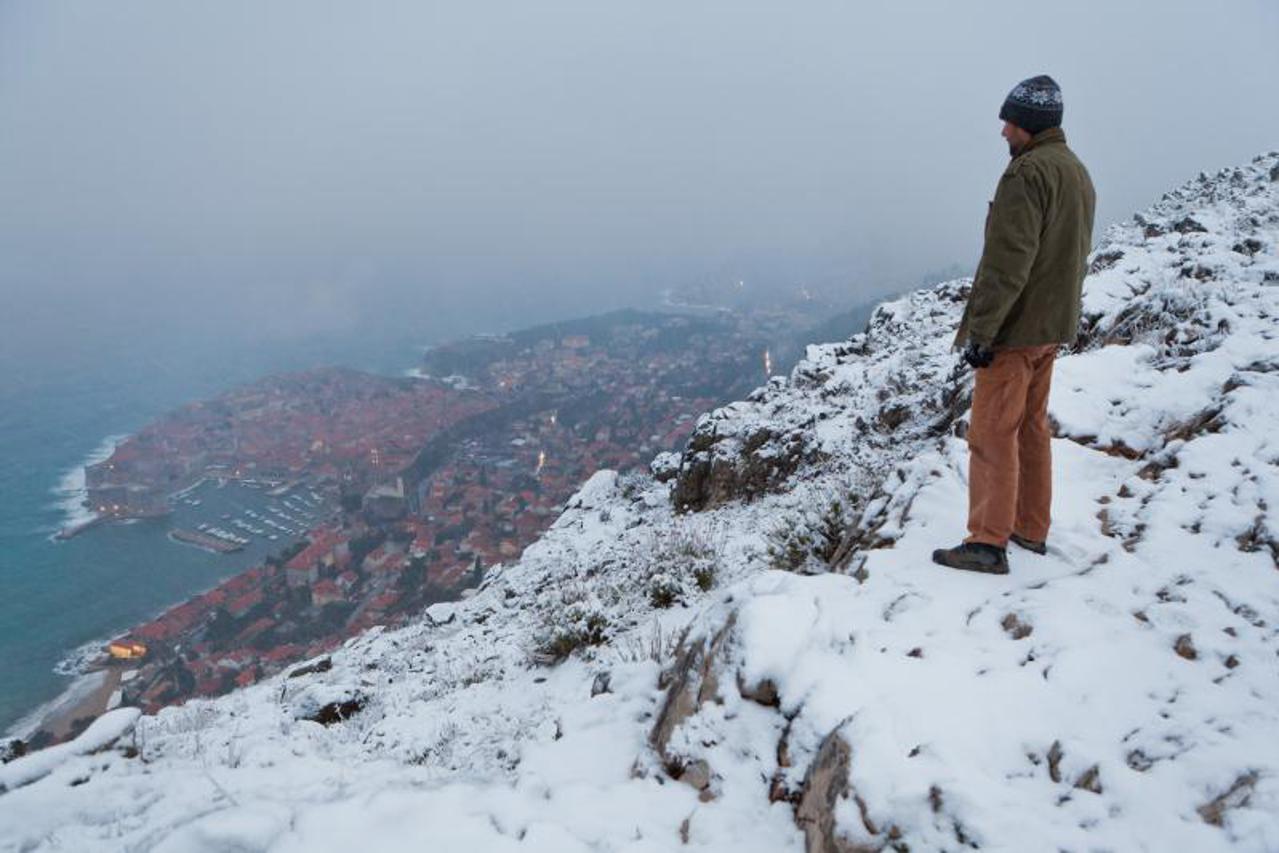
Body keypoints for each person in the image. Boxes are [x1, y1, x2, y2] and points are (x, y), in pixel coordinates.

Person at [933, 75, 1096, 575]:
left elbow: (1008, 264)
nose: (1003, 131)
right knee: (1030, 427)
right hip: (1051, 327)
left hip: (1016, 329)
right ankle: (1030, 527)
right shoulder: (1076, 172)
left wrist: (982, 332)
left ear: (1030, 125)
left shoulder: (1026, 176)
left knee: (991, 433)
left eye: (1010, 122)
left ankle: (987, 542)